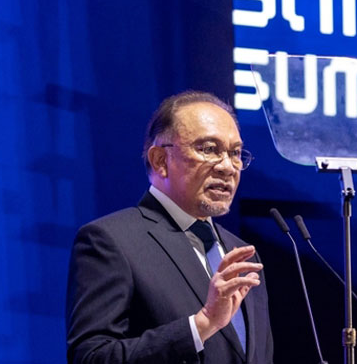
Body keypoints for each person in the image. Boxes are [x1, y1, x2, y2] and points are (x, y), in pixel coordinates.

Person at [66, 90, 273, 364]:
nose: (227, 167)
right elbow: (91, 357)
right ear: (160, 161)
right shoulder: (111, 241)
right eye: (209, 149)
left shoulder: (242, 255)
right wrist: (202, 325)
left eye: (234, 153)